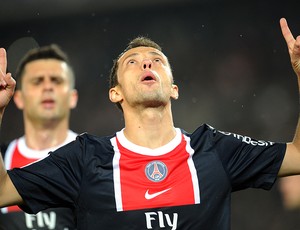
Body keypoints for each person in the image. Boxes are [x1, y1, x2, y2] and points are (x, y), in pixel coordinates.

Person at [0, 18, 299, 230]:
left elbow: (297, 154)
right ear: (115, 93)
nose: (146, 63)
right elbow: (2, 192)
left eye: (157, 60)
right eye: (132, 62)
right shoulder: (84, 159)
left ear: (174, 88)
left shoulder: (214, 150)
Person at [0, 45, 78, 230]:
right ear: (17, 97)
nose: (48, 87)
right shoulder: (2, 159)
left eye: (57, 80)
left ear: (72, 97)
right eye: (37, 81)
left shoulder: (95, 159)